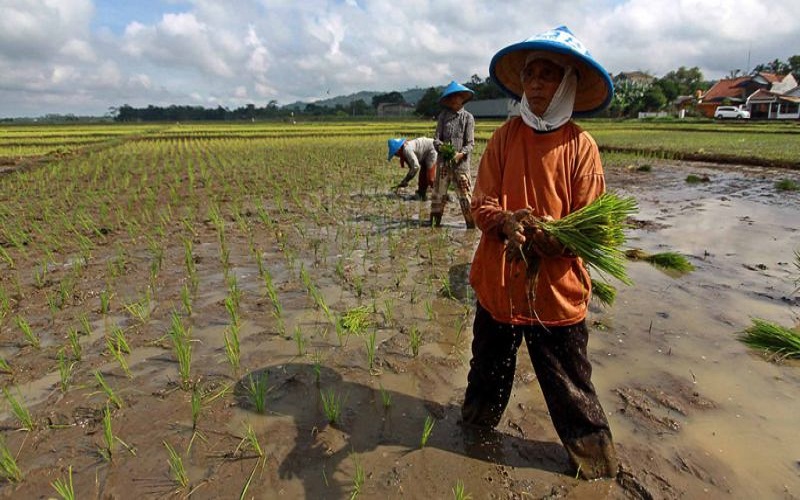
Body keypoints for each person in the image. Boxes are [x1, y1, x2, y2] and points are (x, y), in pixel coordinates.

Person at [462, 26, 620, 480]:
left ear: (567, 83)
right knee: (486, 375)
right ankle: (471, 436)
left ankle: (597, 467)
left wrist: (553, 239)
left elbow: (592, 225)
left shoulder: (581, 148)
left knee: (572, 388)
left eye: (547, 75)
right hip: (499, 285)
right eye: (530, 75)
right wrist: (504, 223)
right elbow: (481, 203)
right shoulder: (504, 139)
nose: (534, 84)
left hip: (554, 294)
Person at [430, 81, 475, 228]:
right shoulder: (443, 117)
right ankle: (434, 225)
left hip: (461, 166)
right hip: (444, 164)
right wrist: (443, 148)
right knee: (439, 195)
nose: (454, 99)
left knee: (465, 196)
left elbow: (470, 143)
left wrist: (460, 154)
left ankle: (471, 225)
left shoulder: (468, 117)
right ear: (448, 100)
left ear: (463, 98)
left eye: (457, 96)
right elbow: (436, 139)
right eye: (451, 97)